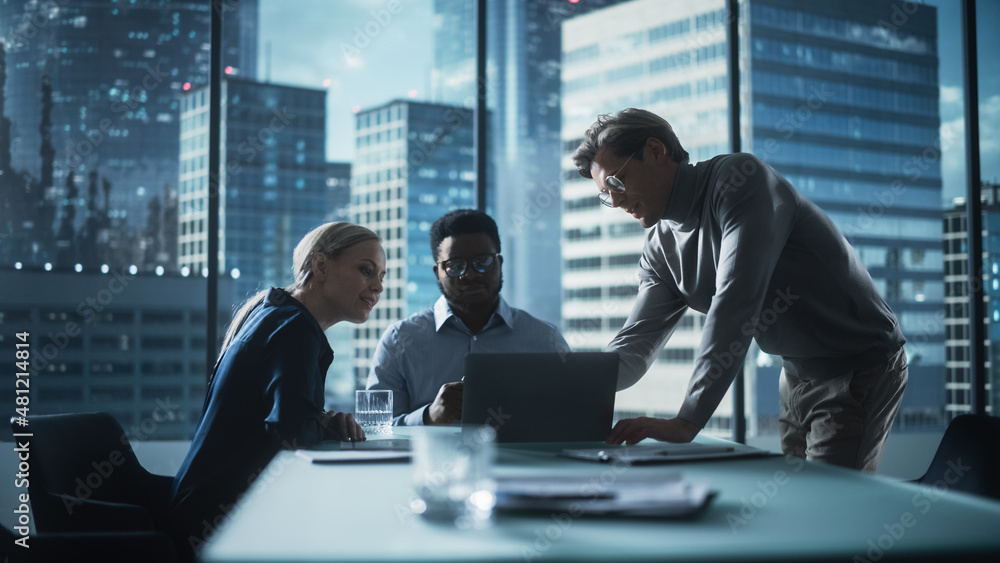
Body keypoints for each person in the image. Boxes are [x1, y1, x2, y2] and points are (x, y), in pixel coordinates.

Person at [572, 108, 907, 473]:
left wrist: (688, 420)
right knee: (799, 503)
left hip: (859, 364)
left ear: (656, 151)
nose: (616, 202)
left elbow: (735, 301)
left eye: (617, 183)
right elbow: (633, 347)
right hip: (795, 374)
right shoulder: (659, 248)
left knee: (831, 506)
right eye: (606, 195)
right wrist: (565, 388)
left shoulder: (739, 180)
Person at [170, 222, 385, 559]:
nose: (378, 286)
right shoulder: (294, 328)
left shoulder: (275, 314)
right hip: (220, 524)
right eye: (366, 270)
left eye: (381, 276)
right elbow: (294, 434)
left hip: (206, 509)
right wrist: (322, 423)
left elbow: (285, 421)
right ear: (321, 265)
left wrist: (322, 421)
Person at [366, 209, 569, 426]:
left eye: (483, 262)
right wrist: (429, 417)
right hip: (430, 460)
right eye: (455, 266)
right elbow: (373, 428)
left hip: (526, 460)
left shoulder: (544, 339)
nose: (470, 274)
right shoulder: (399, 340)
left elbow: (573, 415)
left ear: (499, 263)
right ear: (437, 272)